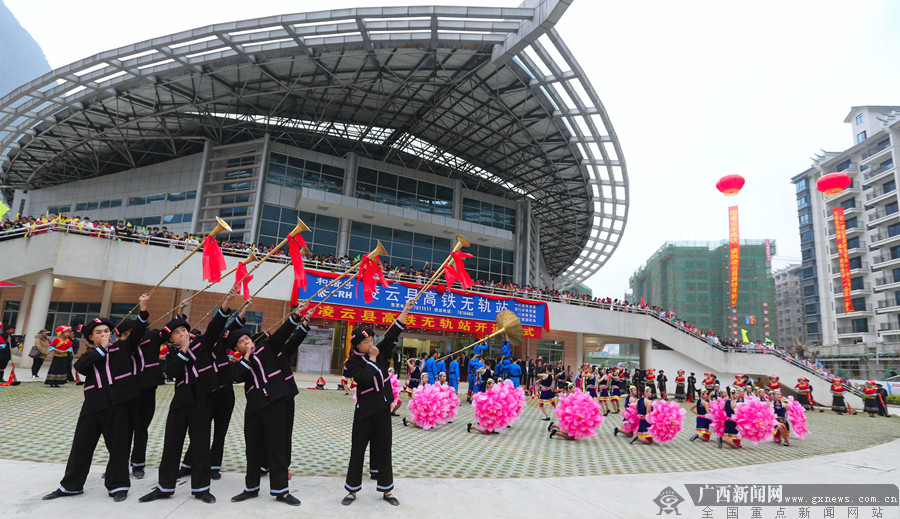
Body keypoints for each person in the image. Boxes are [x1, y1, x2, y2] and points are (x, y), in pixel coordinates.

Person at [42, 294, 150, 502]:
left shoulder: (122, 348)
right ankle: (71, 486)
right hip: (93, 405)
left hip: (118, 405)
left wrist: (143, 309)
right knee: (81, 445)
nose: (104, 334)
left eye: (107, 331)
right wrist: (100, 350)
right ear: (91, 337)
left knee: (119, 447)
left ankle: (118, 486)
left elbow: (138, 331)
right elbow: (80, 368)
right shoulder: (90, 355)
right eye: (99, 332)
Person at [139, 288, 237, 504]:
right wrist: (183, 350)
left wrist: (226, 303)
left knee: (201, 444)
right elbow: (172, 372)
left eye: (185, 329)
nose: (183, 333)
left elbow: (214, 328)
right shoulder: (173, 353)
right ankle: (164, 487)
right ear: (171, 339)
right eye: (177, 332)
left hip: (202, 400)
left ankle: (201, 488)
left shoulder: (202, 345)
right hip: (180, 402)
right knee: (171, 445)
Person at [230, 301, 310, 506]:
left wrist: (296, 315)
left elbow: (282, 335)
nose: (246, 342)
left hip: (274, 405)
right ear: (237, 348)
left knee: (277, 447)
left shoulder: (267, 349)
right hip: (254, 408)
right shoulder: (240, 363)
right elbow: (237, 377)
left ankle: (281, 491)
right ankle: (251, 488)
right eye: (241, 342)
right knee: (253, 449)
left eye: (247, 338)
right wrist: (246, 357)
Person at [342, 299, 414, 507]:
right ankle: (352, 490)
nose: (371, 344)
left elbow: (393, 333)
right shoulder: (353, 362)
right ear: (357, 345)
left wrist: (405, 310)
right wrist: (372, 360)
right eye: (366, 342)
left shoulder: (378, 351)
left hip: (382, 408)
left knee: (384, 448)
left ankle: (387, 489)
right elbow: (363, 379)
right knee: (358, 449)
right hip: (364, 410)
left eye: (372, 340)